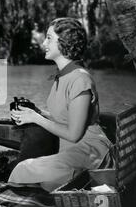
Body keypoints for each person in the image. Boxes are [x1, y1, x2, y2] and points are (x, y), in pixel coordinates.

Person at [8, 18, 113, 192]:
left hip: (92, 154)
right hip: (74, 152)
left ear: (64, 42)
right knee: (47, 183)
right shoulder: (63, 75)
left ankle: (86, 179)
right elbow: (65, 116)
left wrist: (36, 118)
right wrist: (38, 112)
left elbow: (73, 134)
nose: (44, 42)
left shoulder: (80, 79)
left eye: (49, 38)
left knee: (23, 170)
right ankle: (74, 181)